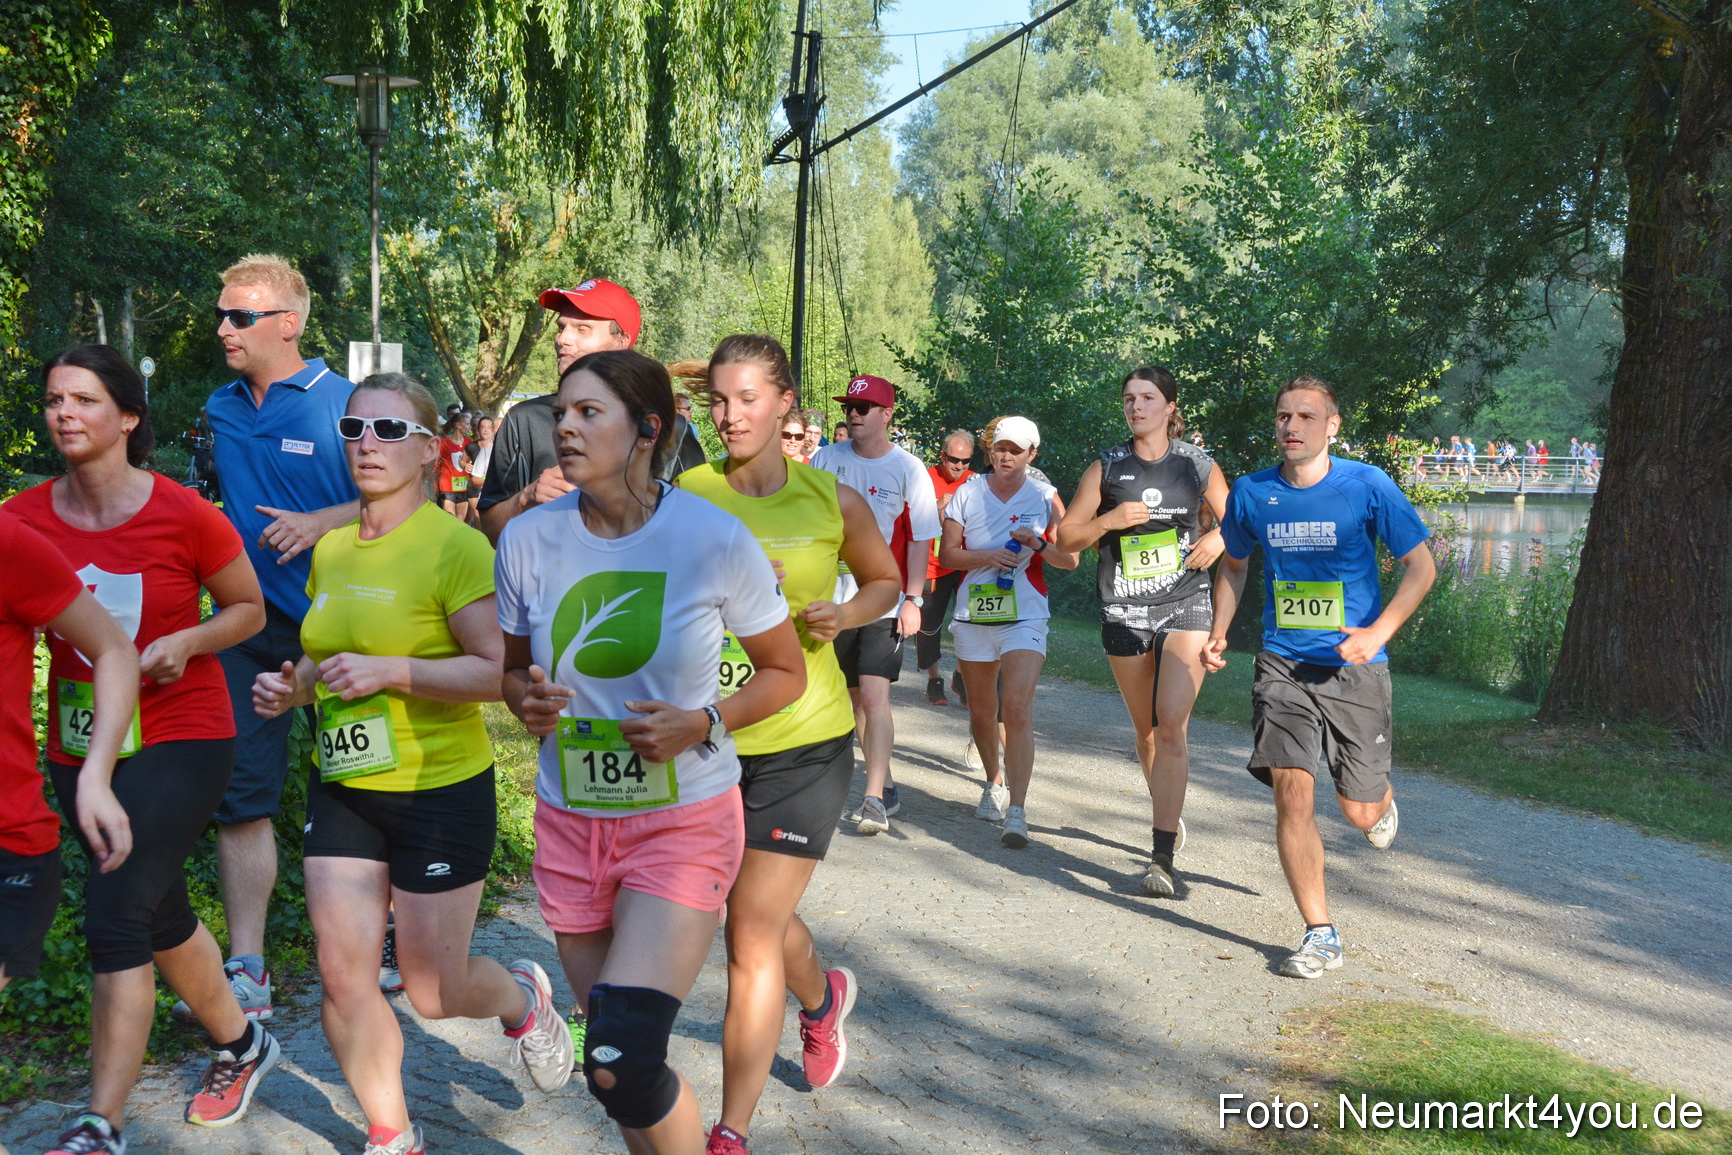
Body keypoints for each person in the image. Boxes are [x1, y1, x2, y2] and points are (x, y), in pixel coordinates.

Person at [252, 373, 573, 1155]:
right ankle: (392, 1131)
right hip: (345, 786)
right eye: (356, 429)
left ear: (430, 450)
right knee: (342, 974)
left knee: (433, 990)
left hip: (438, 786)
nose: (368, 444)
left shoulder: (455, 547)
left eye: (390, 432)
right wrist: (287, 688)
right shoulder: (329, 550)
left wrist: (392, 669)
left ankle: (522, 998)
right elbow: (323, 658)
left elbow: (498, 672)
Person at [497, 349, 804, 1155]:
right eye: (561, 411)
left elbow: (785, 671)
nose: (564, 424)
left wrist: (702, 722)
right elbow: (508, 671)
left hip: (683, 818)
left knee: (620, 1055)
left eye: (589, 412)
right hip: (571, 822)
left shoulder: (710, 536)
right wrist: (522, 699)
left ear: (647, 429)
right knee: (618, 1076)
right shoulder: (527, 539)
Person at [8, 345, 280, 1154]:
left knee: (118, 909)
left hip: (184, 731)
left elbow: (249, 610)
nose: (65, 413)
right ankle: (243, 1043)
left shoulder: (184, 512)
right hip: (81, 739)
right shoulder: (20, 518)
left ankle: (102, 1124)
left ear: (128, 416)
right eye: (55, 399)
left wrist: (191, 641)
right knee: (158, 910)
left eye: (85, 400)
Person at [678, 335, 900, 1155]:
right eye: (719, 401)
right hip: (706, 737)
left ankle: (731, 1130)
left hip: (804, 739)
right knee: (758, 919)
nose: (730, 416)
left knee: (749, 926)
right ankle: (822, 999)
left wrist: (845, 613)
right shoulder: (686, 495)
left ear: (784, 407)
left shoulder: (829, 500)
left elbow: (885, 580)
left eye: (746, 400)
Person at [1204, 375, 1435, 979]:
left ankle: (1378, 802)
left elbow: (1420, 568)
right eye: (1284, 417)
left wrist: (1378, 633)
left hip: (1356, 669)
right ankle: (1320, 932)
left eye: (1306, 417)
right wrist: (1221, 628)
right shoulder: (1253, 493)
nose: (1292, 427)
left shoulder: (1367, 486)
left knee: (1357, 813)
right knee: (1292, 789)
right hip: (1283, 663)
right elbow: (1233, 563)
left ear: (1332, 426)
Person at [203, 253, 358, 1022]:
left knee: (361, 787)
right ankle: (248, 966)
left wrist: (319, 522)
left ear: (287, 324)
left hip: (337, 629)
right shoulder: (220, 407)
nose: (223, 327)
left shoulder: (345, 403)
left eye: (240, 316)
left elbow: (399, 494)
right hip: (244, 626)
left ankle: (381, 934)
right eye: (222, 313)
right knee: (241, 799)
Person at [1056, 366, 1229, 893]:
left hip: (1185, 604)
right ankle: (1167, 814)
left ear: (1170, 406)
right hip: (1126, 609)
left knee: (1172, 725)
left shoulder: (1197, 465)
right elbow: (1066, 538)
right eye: (1129, 398)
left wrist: (1218, 541)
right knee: (1148, 732)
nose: (1136, 407)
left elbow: (1240, 523)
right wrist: (1108, 522)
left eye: (1147, 398)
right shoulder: (1106, 468)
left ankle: (1160, 858)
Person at [809, 376, 940, 837]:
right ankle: (883, 781)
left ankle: (873, 798)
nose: (854, 414)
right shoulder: (824, 458)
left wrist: (913, 598)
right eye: (850, 406)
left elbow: (923, 537)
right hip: (832, 599)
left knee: (874, 694)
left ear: (887, 415)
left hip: (883, 601)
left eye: (865, 407)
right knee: (849, 702)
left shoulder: (908, 468)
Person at [939, 417, 1078, 848]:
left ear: (1031, 455)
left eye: (1016, 450)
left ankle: (1017, 810)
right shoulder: (968, 492)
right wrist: (988, 557)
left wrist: (1037, 545)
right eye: (1000, 448)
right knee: (983, 712)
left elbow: (1069, 561)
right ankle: (994, 782)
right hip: (974, 614)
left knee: (1016, 707)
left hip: (1026, 615)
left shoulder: (1044, 496)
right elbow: (948, 554)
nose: (1005, 456)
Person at [479, 280, 704, 544]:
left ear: (621, 342)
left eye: (582, 329)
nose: (563, 339)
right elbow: (490, 531)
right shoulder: (525, 419)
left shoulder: (670, 428)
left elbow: (699, 532)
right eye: (561, 327)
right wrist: (527, 498)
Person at [918, 430, 977, 707]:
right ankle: (933, 679)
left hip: (964, 564)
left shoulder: (975, 481)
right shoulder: (925, 478)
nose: (959, 466)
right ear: (943, 456)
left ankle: (961, 676)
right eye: (954, 459)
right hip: (932, 564)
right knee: (929, 626)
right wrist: (934, 508)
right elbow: (909, 516)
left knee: (968, 623)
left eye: (965, 461)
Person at [437, 410, 475, 521]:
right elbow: (436, 462)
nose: (470, 427)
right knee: (449, 517)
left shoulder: (469, 442)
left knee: (460, 520)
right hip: (447, 485)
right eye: (467, 424)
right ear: (458, 425)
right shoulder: (444, 442)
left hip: (464, 485)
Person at [469, 414, 497, 493]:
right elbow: (475, 479)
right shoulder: (482, 450)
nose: (486, 430)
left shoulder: (516, 450)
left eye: (489, 427)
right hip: (482, 492)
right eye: (482, 427)